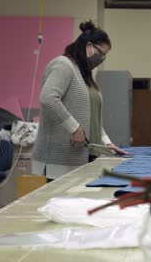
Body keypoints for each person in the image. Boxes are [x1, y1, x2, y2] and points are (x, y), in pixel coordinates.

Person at [32, 20, 128, 181]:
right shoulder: (63, 65)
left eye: (105, 56)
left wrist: (106, 143)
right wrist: (74, 128)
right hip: (61, 160)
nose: (102, 59)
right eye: (101, 53)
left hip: (86, 157)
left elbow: (92, 118)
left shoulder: (84, 74)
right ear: (89, 46)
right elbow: (48, 98)